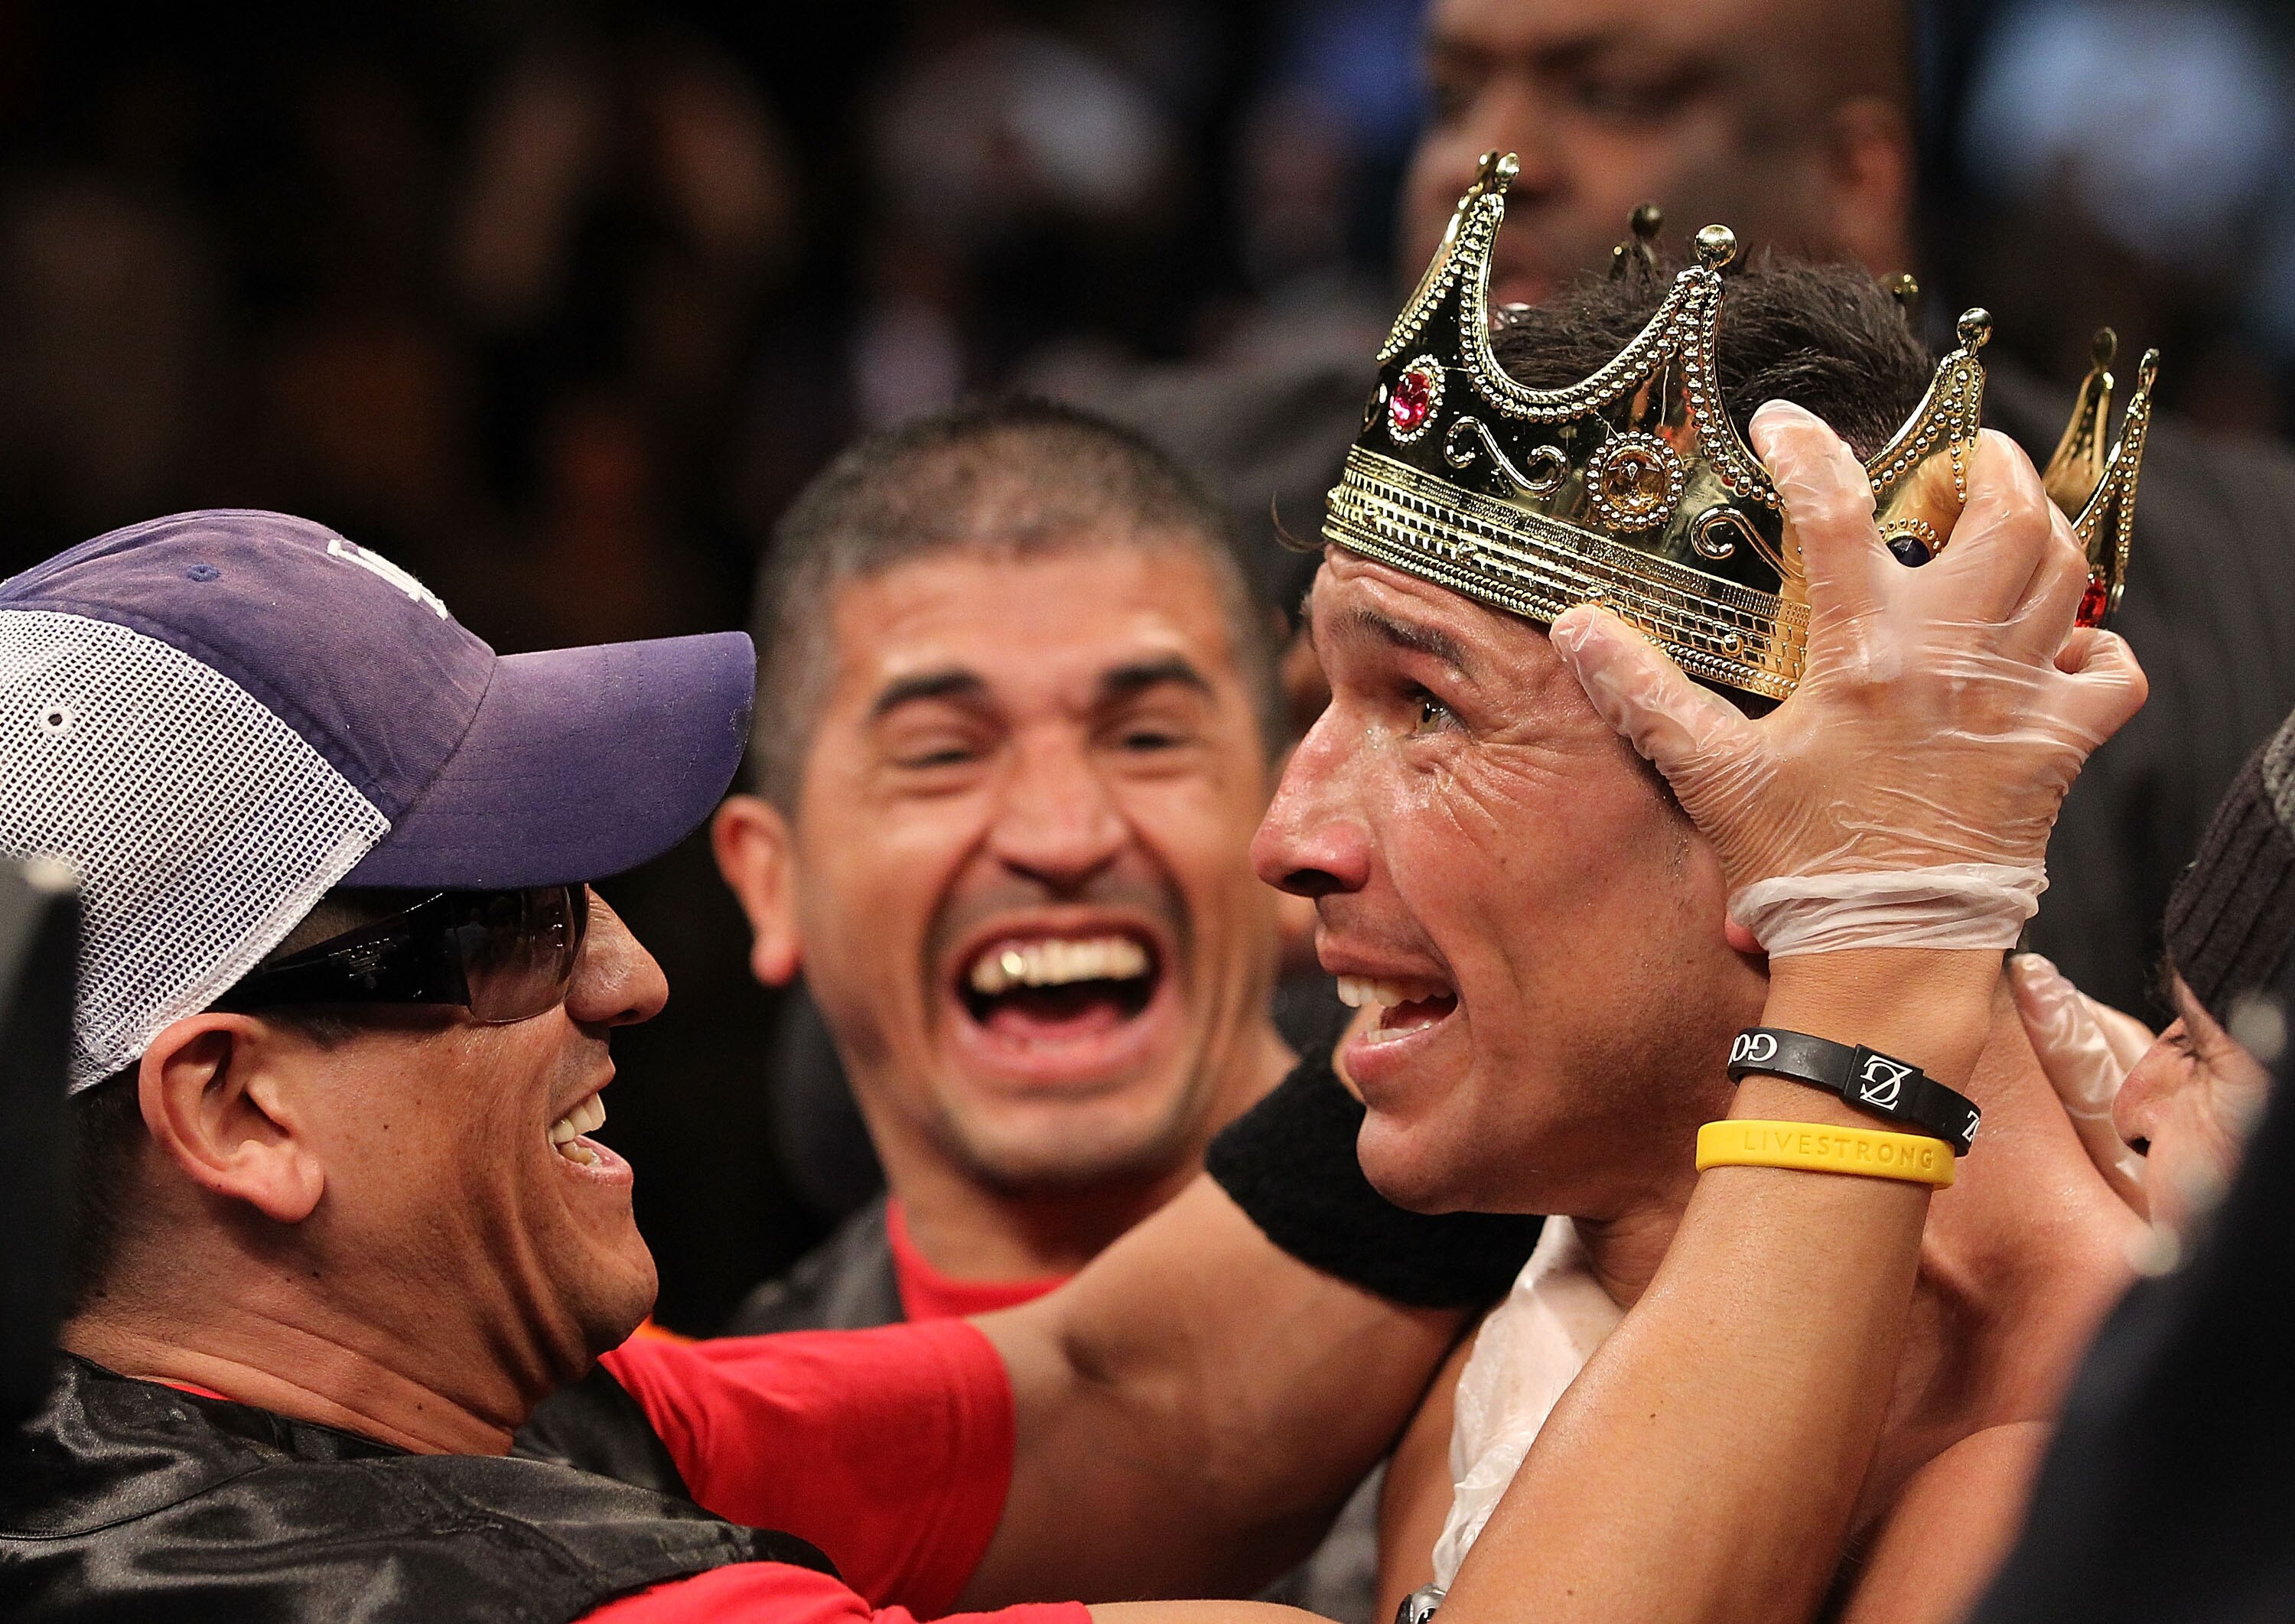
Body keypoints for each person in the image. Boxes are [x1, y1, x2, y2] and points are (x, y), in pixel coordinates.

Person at [1238, 155, 2154, 1618]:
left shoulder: (2114, 1479)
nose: (1286, 839)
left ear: (1794, 819)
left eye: (1427, 708)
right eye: (1322, 702)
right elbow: (1080, 1389)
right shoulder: (1494, 1297)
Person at [1062, 0, 2295, 1020]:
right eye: (1450, 97)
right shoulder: (1162, 501)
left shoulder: (2243, 582)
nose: (1487, 160)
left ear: (1856, 176)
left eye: (1612, 94)